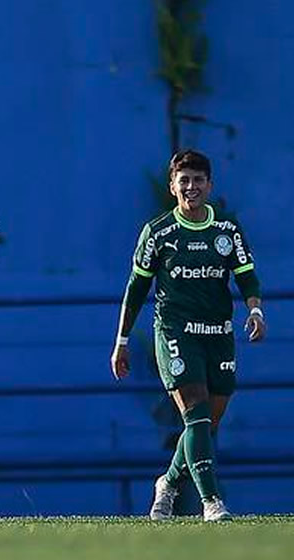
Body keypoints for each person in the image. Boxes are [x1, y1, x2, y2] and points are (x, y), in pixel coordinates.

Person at [111, 149, 266, 522]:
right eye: (184, 180)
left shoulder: (226, 230)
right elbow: (136, 288)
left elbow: (245, 274)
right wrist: (122, 340)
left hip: (218, 332)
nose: (191, 187)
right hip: (175, 331)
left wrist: (255, 309)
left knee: (206, 424)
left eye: (198, 180)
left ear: (209, 185)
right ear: (172, 186)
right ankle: (211, 502)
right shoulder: (158, 232)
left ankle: (167, 482)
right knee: (195, 413)